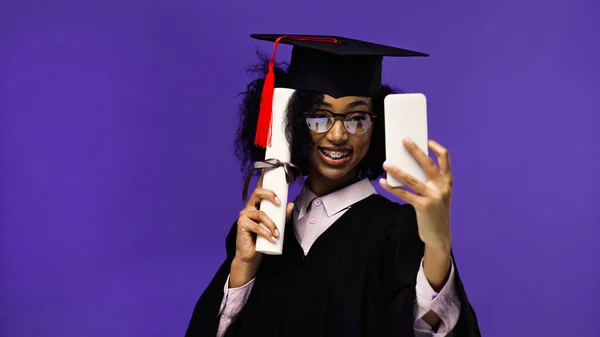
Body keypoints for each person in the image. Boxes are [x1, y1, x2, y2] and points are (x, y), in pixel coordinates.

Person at [185, 34, 481, 337]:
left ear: (376, 127)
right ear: (292, 122)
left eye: (357, 118)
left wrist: (438, 245)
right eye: (318, 117)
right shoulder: (262, 231)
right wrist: (244, 268)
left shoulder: (400, 230)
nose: (339, 135)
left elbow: (424, 331)